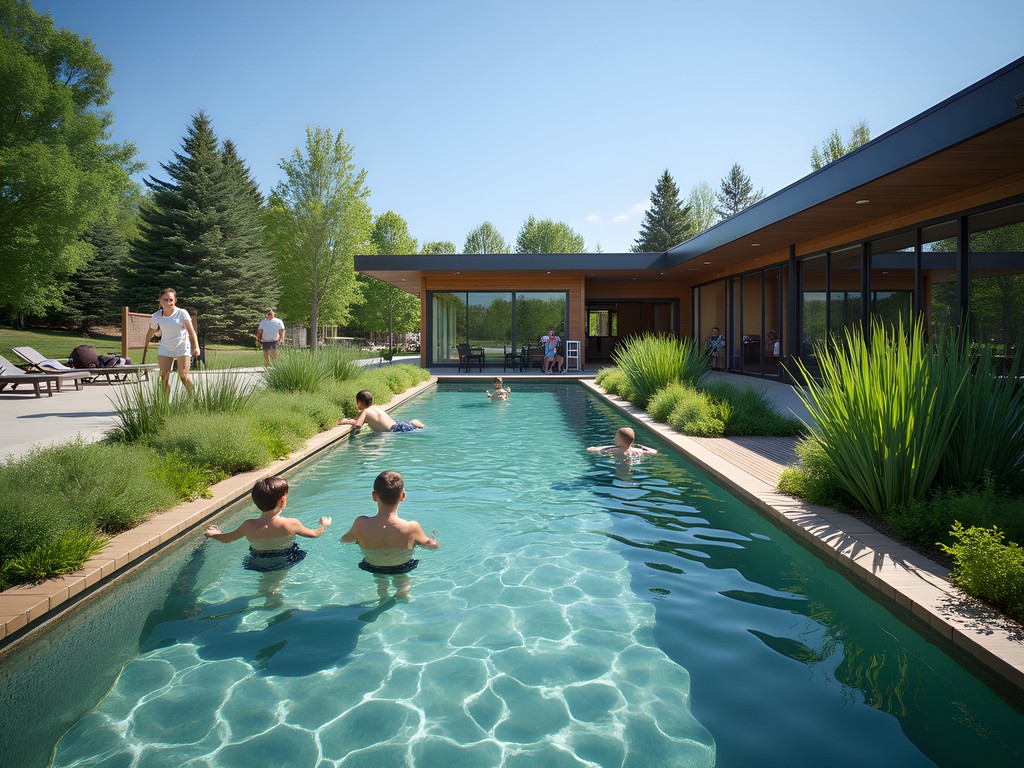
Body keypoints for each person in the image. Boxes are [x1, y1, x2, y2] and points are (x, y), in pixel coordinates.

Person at [340, 470, 439, 599]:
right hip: (402, 567)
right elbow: (432, 546)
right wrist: (433, 540)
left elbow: (344, 540)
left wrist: (360, 538)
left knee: (380, 583)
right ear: (402, 496)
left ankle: (383, 595)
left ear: (374, 496)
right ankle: (403, 593)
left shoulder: (361, 523)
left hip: (373, 566)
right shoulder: (411, 527)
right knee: (402, 580)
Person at [204, 476, 331, 571]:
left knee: (268, 583)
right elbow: (315, 534)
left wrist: (213, 533)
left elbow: (226, 539)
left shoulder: (248, 525)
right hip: (285, 559)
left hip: (258, 562)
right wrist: (324, 525)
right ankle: (271, 595)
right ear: (282, 500)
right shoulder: (290, 524)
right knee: (274, 586)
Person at [150, 288, 201, 397]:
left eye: (171, 300)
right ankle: (165, 404)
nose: (169, 302)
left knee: (183, 376)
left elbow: (191, 331)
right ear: (160, 300)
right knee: (164, 377)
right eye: (166, 300)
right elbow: (152, 330)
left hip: (182, 346)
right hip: (166, 347)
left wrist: (196, 347)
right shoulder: (156, 316)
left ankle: (194, 398)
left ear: (175, 301)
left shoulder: (182, 313)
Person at [338, 390, 425, 432]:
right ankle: (415, 423)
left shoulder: (365, 412)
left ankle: (415, 423)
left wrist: (345, 421)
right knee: (412, 425)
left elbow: (358, 424)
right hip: (398, 425)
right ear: (371, 401)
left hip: (393, 432)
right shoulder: (376, 408)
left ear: (359, 402)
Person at [587, 426, 658, 457]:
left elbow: (589, 449)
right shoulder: (639, 451)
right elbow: (656, 452)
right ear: (633, 440)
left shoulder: (612, 450)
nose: (615, 438)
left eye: (616, 436)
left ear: (619, 440)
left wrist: (611, 446)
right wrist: (640, 445)